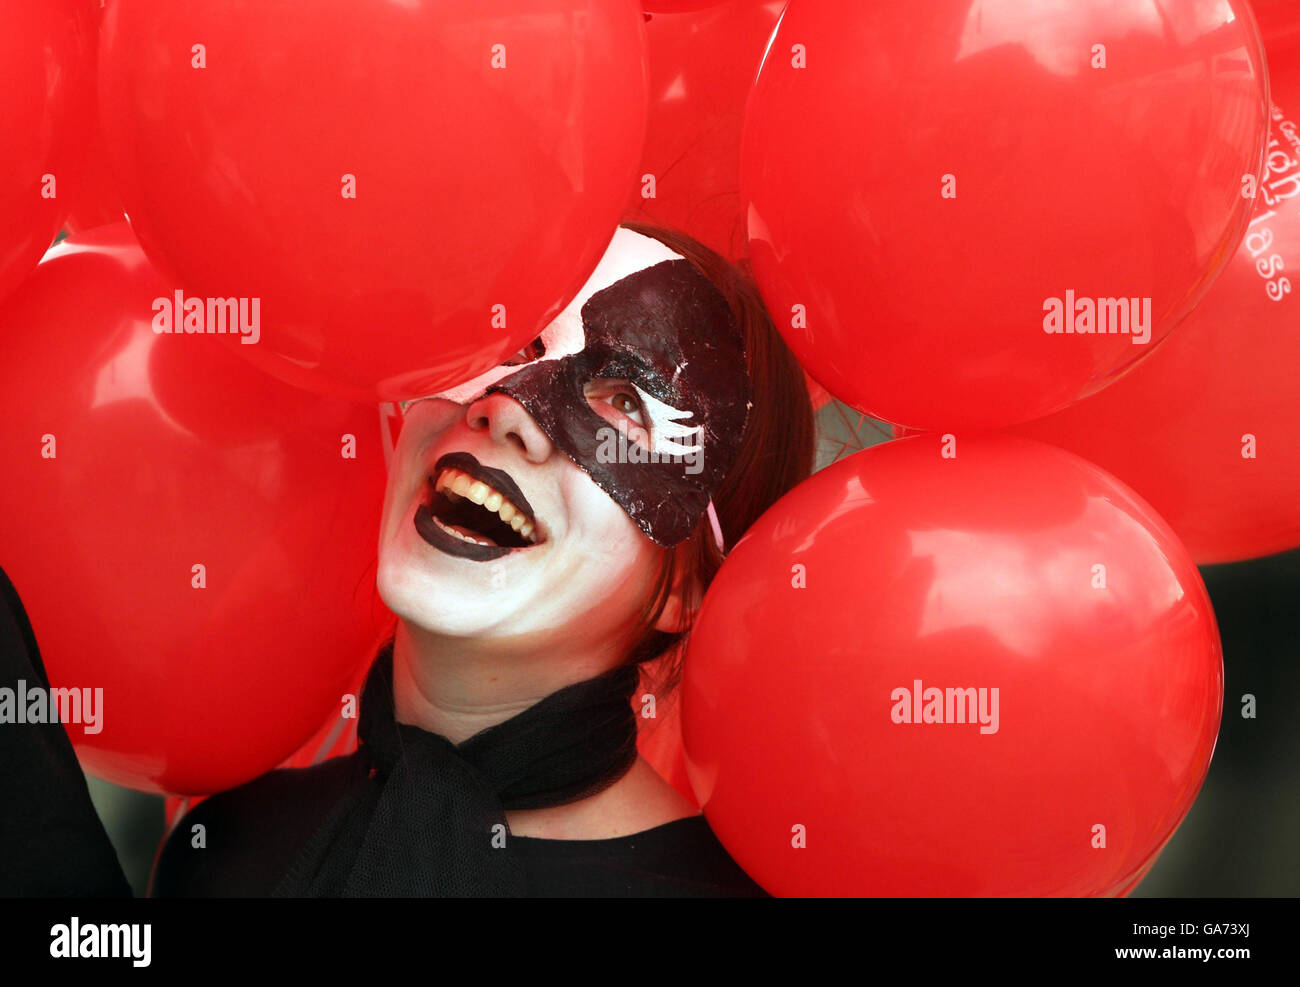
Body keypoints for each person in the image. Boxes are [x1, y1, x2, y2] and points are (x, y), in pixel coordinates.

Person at [151, 222, 816, 897]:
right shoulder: (227, 850)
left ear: (687, 589)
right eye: (517, 342)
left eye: (624, 402)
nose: (509, 409)